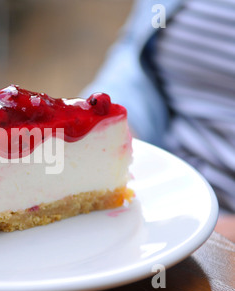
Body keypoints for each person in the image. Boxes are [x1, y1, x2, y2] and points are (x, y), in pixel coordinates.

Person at [81, 0, 235, 241]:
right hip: (160, 200)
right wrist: (105, 131)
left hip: (209, 232)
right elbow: (136, 56)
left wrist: (207, 236)